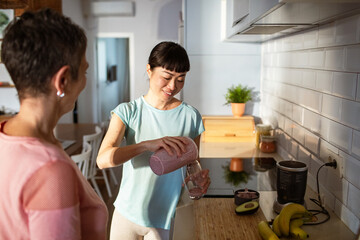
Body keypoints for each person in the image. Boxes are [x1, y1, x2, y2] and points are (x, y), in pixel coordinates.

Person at [0, 9, 108, 239]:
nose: (85, 81)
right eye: (85, 70)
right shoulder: (50, 170)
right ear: (63, 80)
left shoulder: (8, 138)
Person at [97, 41, 210, 240]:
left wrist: (197, 179)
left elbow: (192, 162)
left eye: (181, 79)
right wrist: (146, 145)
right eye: (166, 77)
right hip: (126, 214)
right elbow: (103, 160)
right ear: (149, 70)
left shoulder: (191, 117)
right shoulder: (127, 112)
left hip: (163, 218)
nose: (173, 86)